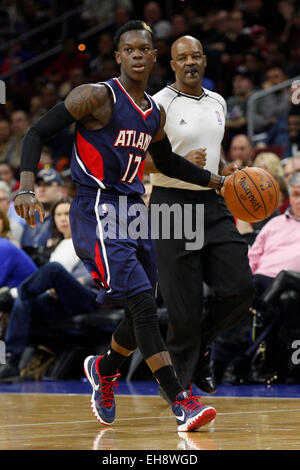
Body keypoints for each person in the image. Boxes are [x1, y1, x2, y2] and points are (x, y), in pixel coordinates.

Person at [13, 21, 230, 432]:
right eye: (127, 49)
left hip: (134, 209)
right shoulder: (94, 96)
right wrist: (25, 188)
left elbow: (165, 162)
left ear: (152, 56)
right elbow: (37, 131)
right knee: (144, 306)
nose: (136, 55)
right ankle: (180, 400)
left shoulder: (155, 111)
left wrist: (216, 181)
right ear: (117, 56)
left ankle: (105, 368)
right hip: (96, 207)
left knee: (141, 307)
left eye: (143, 49)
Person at [146, 35, 254, 395]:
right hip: (170, 205)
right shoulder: (157, 103)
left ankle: (199, 347)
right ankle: (177, 383)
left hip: (212, 200)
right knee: (184, 306)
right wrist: (175, 163)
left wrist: (230, 172)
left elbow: (214, 153)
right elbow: (138, 160)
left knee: (240, 288)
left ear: (205, 61)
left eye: (196, 56)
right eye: (182, 58)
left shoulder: (218, 101)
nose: (190, 62)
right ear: (171, 64)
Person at [0, 198, 97, 382]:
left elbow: (99, 273)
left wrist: (80, 280)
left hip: (86, 297)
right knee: (24, 303)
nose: (62, 219)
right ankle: (11, 362)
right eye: (58, 215)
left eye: (67, 214)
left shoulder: (91, 241)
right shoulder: (58, 245)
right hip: (58, 298)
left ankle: (13, 293)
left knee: (53, 270)